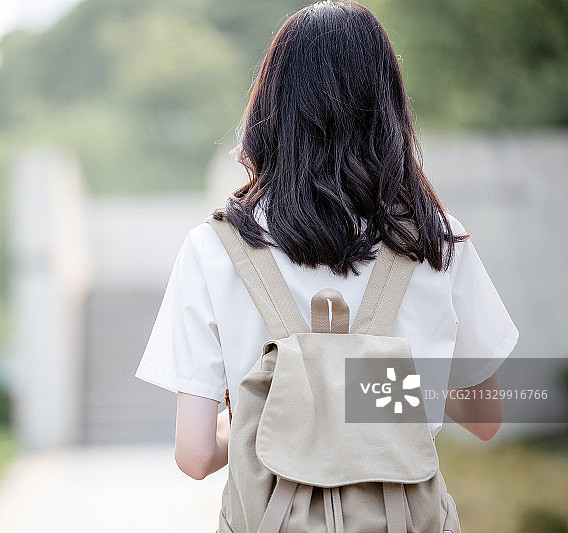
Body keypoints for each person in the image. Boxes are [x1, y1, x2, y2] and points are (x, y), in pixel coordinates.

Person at [134, 0, 519, 481]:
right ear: (389, 108)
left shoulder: (215, 249)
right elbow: (485, 420)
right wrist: (386, 393)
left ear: (271, 108)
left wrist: (281, 409)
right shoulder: (436, 239)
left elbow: (194, 456)